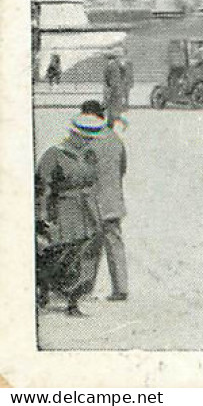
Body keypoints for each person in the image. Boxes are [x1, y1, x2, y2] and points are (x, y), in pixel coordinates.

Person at [35, 112, 106, 316]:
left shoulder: (90, 155)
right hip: (62, 211)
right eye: (86, 137)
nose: (89, 141)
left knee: (84, 256)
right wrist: (42, 216)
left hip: (86, 211)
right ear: (74, 134)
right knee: (57, 254)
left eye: (91, 138)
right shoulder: (54, 154)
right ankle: (44, 292)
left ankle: (74, 302)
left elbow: (93, 182)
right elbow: (43, 188)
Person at [78, 101, 129, 301]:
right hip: (114, 201)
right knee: (115, 243)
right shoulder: (115, 139)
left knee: (90, 246)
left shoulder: (87, 142)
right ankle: (121, 288)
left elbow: (80, 173)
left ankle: (84, 289)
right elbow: (123, 168)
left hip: (92, 201)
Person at [102, 48, 130, 128]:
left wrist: (109, 91)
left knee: (111, 109)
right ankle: (111, 124)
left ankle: (112, 125)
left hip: (113, 90)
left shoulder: (112, 66)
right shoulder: (115, 65)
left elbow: (113, 80)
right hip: (115, 90)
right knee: (112, 109)